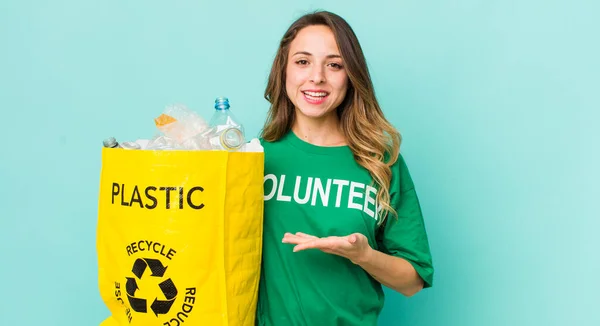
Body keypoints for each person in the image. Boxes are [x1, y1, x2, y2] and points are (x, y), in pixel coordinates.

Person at [257, 10, 434, 326]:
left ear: (351, 75)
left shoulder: (381, 160)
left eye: (334, 64)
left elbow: (413, 281)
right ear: (283, 70)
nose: (317, 77)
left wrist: (363, 255)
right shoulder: (255, 157)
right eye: (302, 61)